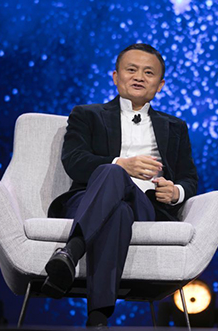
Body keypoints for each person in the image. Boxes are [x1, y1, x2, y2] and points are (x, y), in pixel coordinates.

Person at [43, 43, 198, 327]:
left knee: (123, 198)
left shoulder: (176, 127)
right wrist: (120, 164)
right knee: (117, 201)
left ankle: (71, 252)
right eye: (131, 70)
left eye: (149, 73)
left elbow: (189, 176)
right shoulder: (86, 114)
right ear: (115, 77)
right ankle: (98, 319)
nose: (139, 77)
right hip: (89, 199)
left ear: (160, 85)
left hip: (145, 204)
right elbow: (74, 161)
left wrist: (177, 192)